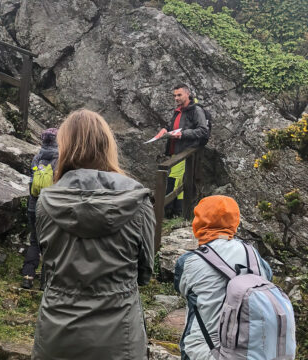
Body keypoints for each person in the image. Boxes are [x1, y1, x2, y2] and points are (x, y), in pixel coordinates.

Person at [32, 109, 155, 360]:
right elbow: (145, 271)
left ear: (64, 147)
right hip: (120, 336)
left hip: (57, 332)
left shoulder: (45, 202)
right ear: (107, 146)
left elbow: (47, 262)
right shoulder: (138, 202)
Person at [174, 195, 273, 360]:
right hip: (248, 350)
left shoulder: (188, 261)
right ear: (235, 221)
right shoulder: (254, 256)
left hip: (203, 351)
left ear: (199, 222)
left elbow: (181, 289)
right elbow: (266, 279)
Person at [157, 84, 208, 217]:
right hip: (176, 151)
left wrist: (183, 134)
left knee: (173, 180)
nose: (176, 98)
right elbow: (173, 126)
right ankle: (177, 212)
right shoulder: (179, 110)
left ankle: (167, 213)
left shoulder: (196, 110)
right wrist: (165, 130)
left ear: (187, 94)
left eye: (179, 95)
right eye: (174, 95)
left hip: (185, 152)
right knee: (178, 182)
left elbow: (203, 130)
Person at [21, 128, 58, 289]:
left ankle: (27, 276)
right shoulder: (60, 159)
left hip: (34, 205)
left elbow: (31, 182)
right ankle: (45, 281)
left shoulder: (37, 157)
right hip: (51, 207)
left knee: (34, 241)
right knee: (51, 243)